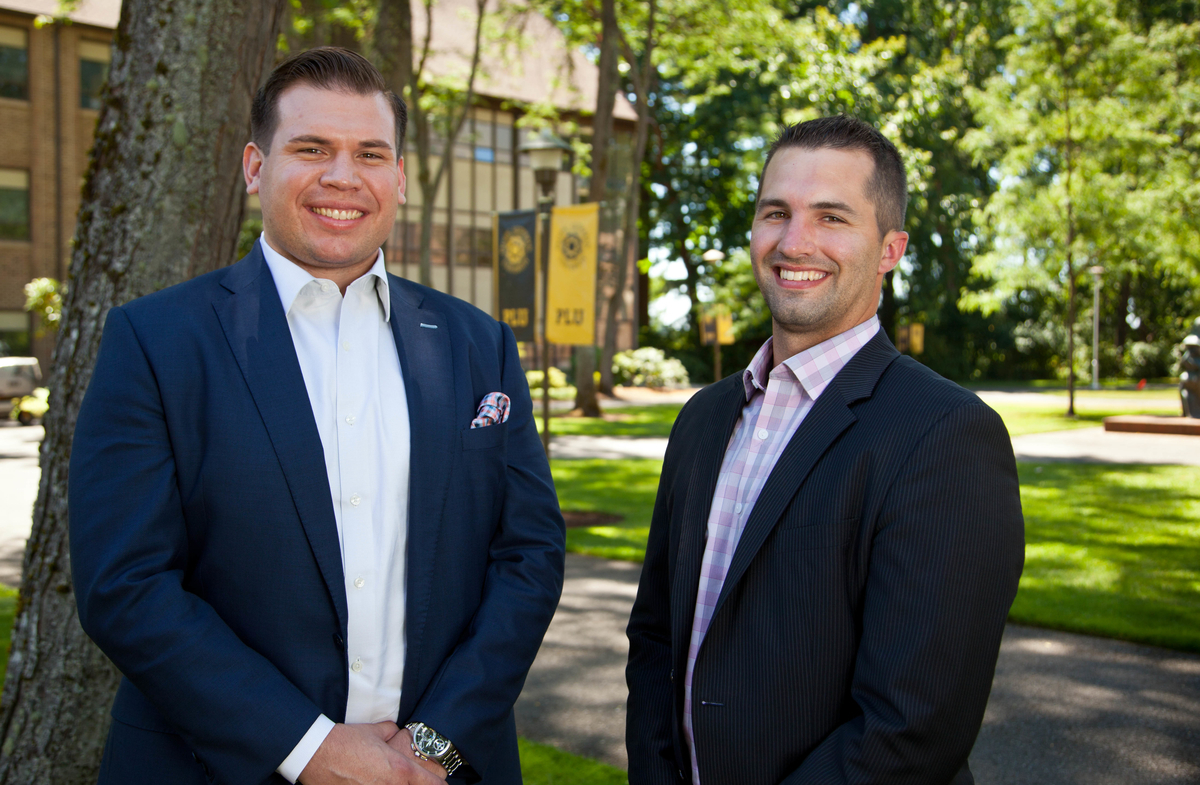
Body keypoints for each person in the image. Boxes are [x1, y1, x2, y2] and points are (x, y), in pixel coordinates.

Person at [69, 47, 565, 785]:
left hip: (439, 769)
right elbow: (126, 583)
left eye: (370, 153)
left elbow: (527, 557)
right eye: (311, 149)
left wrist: (433, 747)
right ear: (254, 166)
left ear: (397, 177)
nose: (343, 176)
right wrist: (312, 749)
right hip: (213, 765)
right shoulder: (157, 340)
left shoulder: (477, 344)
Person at [625, 115, 1024, 785]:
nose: (794, 240)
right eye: (774, 212)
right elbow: (656, 641)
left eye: (832, 217)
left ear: (890, 248)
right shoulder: (703, 419)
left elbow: (910, 727)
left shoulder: (947, 435)